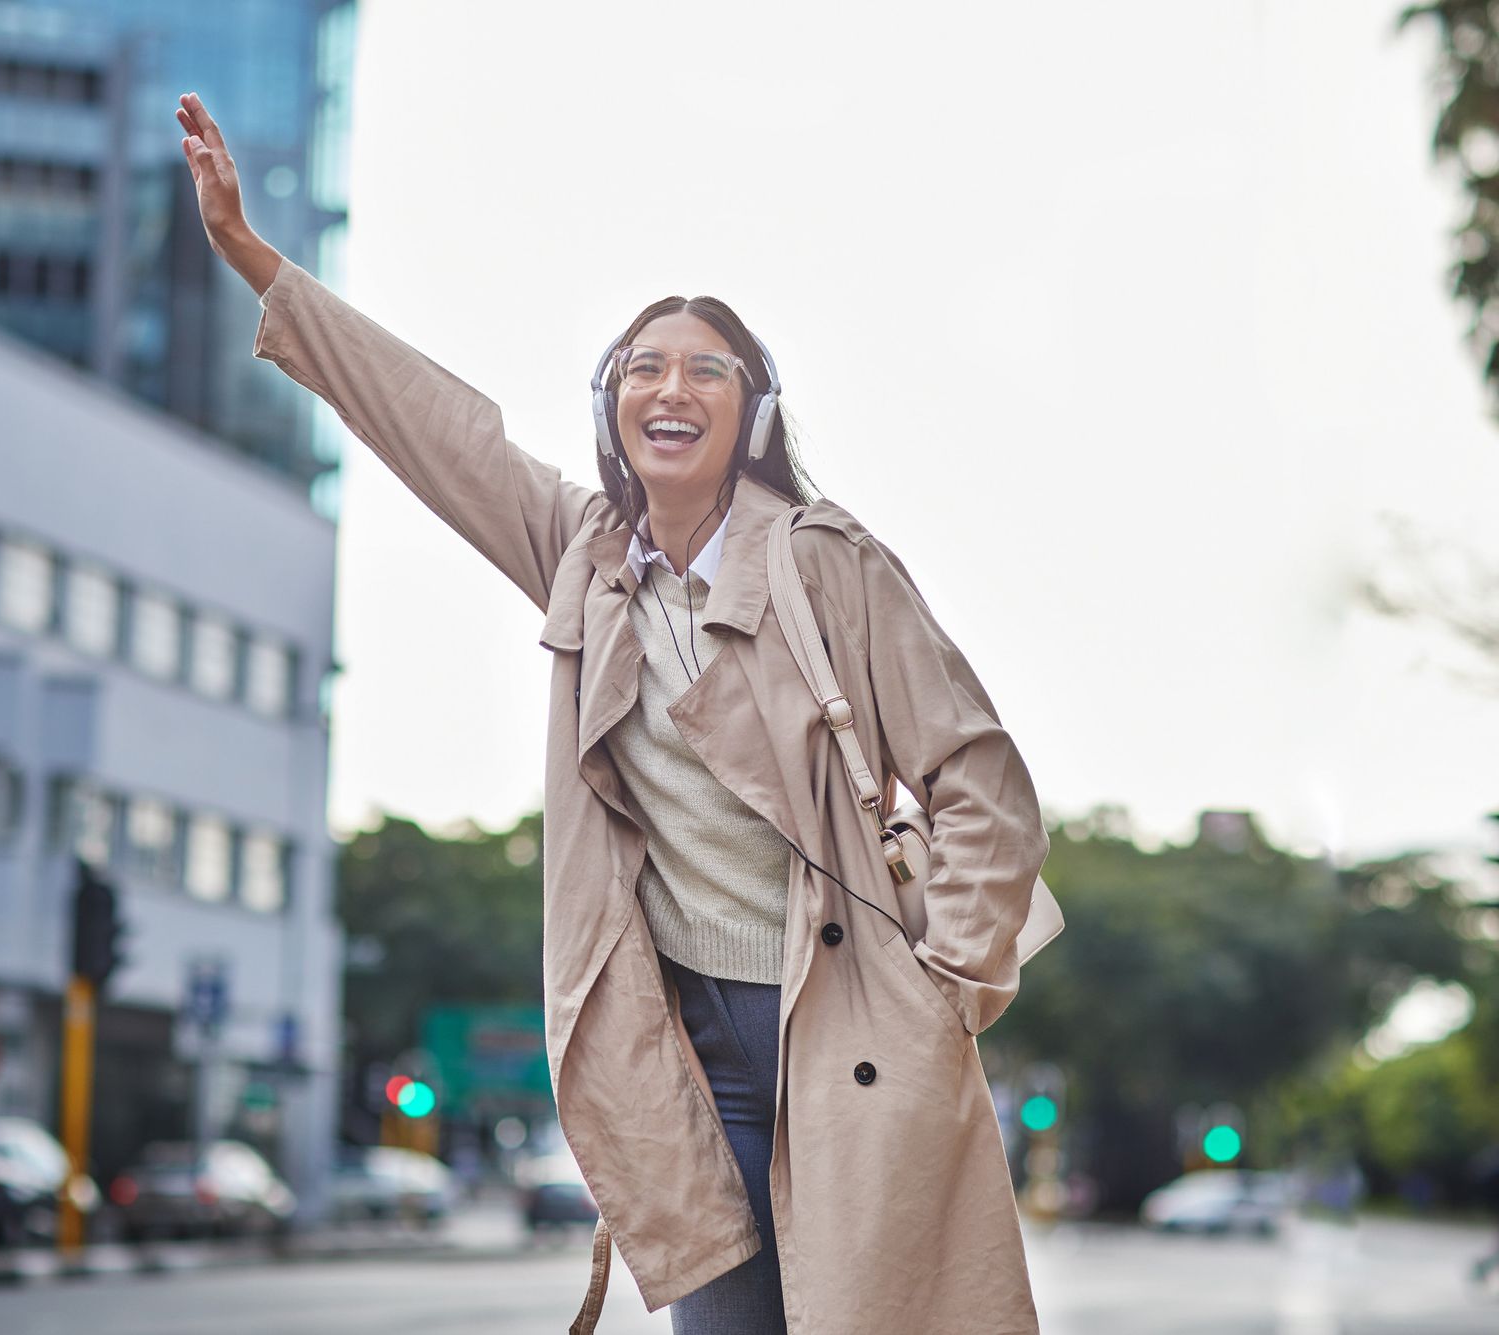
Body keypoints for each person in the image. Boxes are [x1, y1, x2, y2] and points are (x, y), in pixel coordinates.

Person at [177, 92, 1053, 1334]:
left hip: (843, 1025)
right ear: (613, 409)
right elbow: (436, 426)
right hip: (688, 1044)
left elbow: (983, 786)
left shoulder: (825, 564)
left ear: (750, 413)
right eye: (642, 367)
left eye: (706, 369)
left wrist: (944, 989)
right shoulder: (583, 557)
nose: (670, 386)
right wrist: (257, 258)